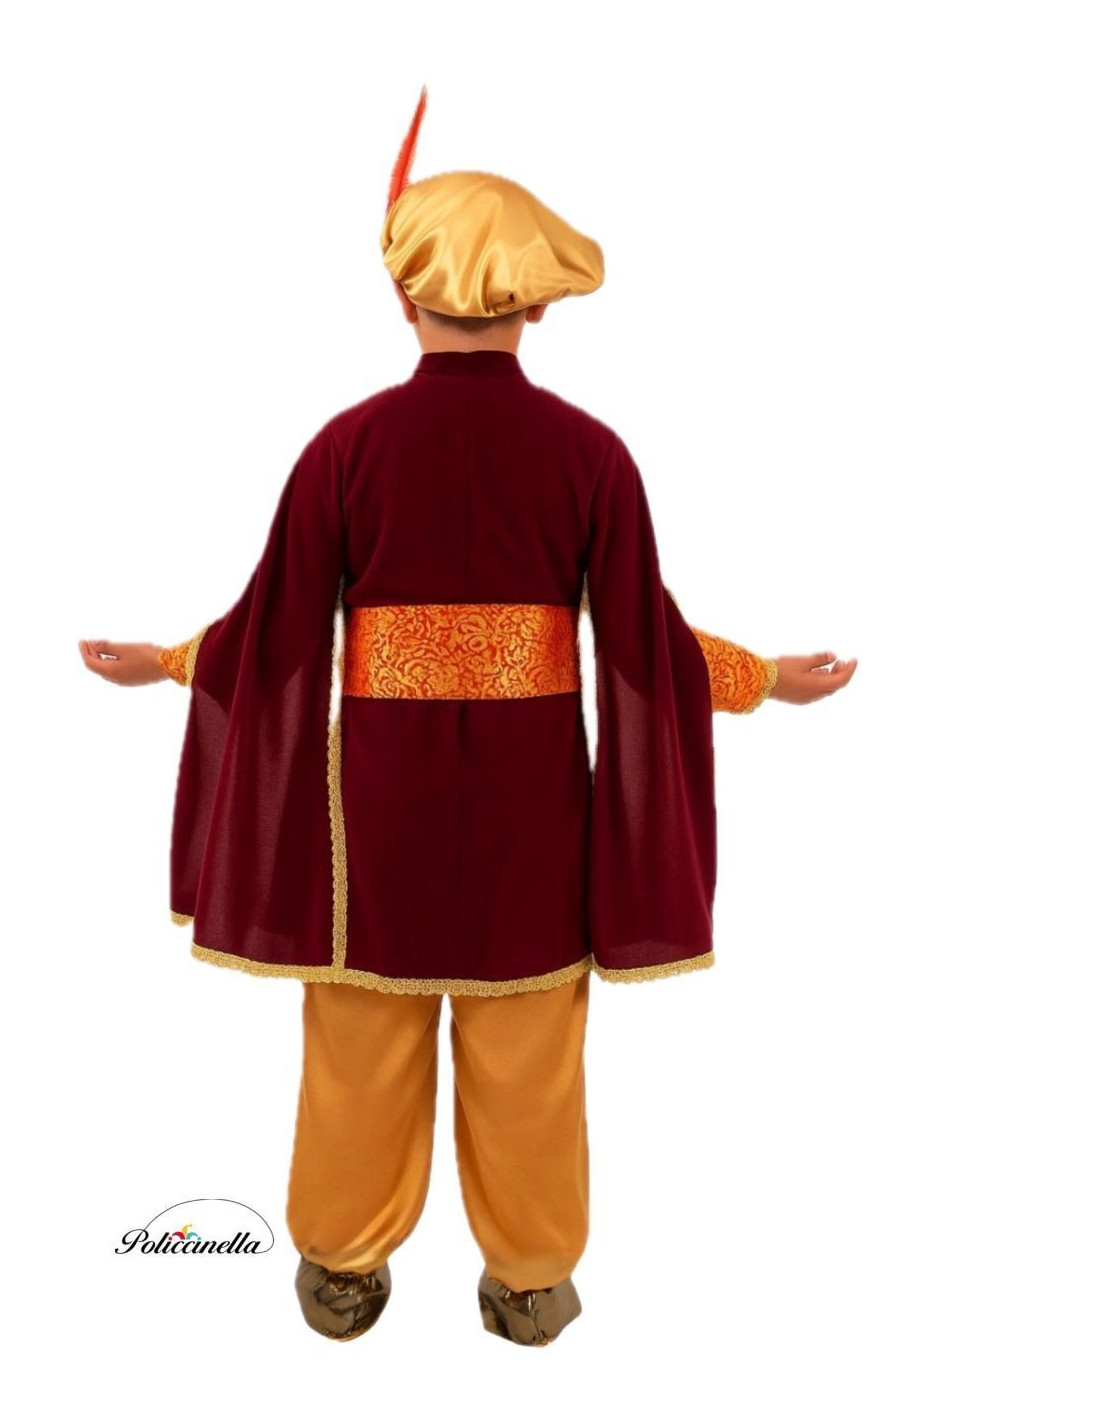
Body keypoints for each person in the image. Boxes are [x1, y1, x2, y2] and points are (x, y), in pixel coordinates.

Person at [79, 87, 857, 1347]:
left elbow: (273, 629)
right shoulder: (590, 455)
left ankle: (341, 1268)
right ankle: (531, 1279)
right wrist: (761, 676)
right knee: (528, 1052)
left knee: (357, 1041)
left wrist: (169, 662)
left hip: (372, 820)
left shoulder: (345, 448)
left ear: (401, 295)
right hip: (530, 815)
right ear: (539, 304)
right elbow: (645, 643)